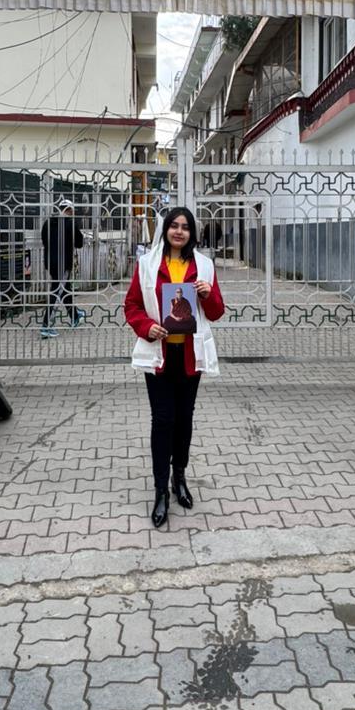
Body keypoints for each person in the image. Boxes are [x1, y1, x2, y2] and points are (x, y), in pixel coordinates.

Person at [123, 206, 224, 528]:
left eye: (186, 227)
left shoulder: (204, 266)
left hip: (190, 357)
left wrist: (208, 295)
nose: (179, 231)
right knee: (162, 420)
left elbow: (217, 312)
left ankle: (179, 478)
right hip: (160, 357)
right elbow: (132, 306)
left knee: (184, 419)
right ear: (165, 229)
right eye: (174, 226)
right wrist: (146, 326)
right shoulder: (148, 264)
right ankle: (160, 490)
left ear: (193, 233)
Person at [41, 197, 84, 339]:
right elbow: (79, 243)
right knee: (57, 291)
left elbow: (44, 240)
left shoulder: (47, 223)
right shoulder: (70, 223)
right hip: (64, 263)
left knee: (64, 289)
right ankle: (47, 325)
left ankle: (74, 316)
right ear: (69, 210)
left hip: (51, 263)